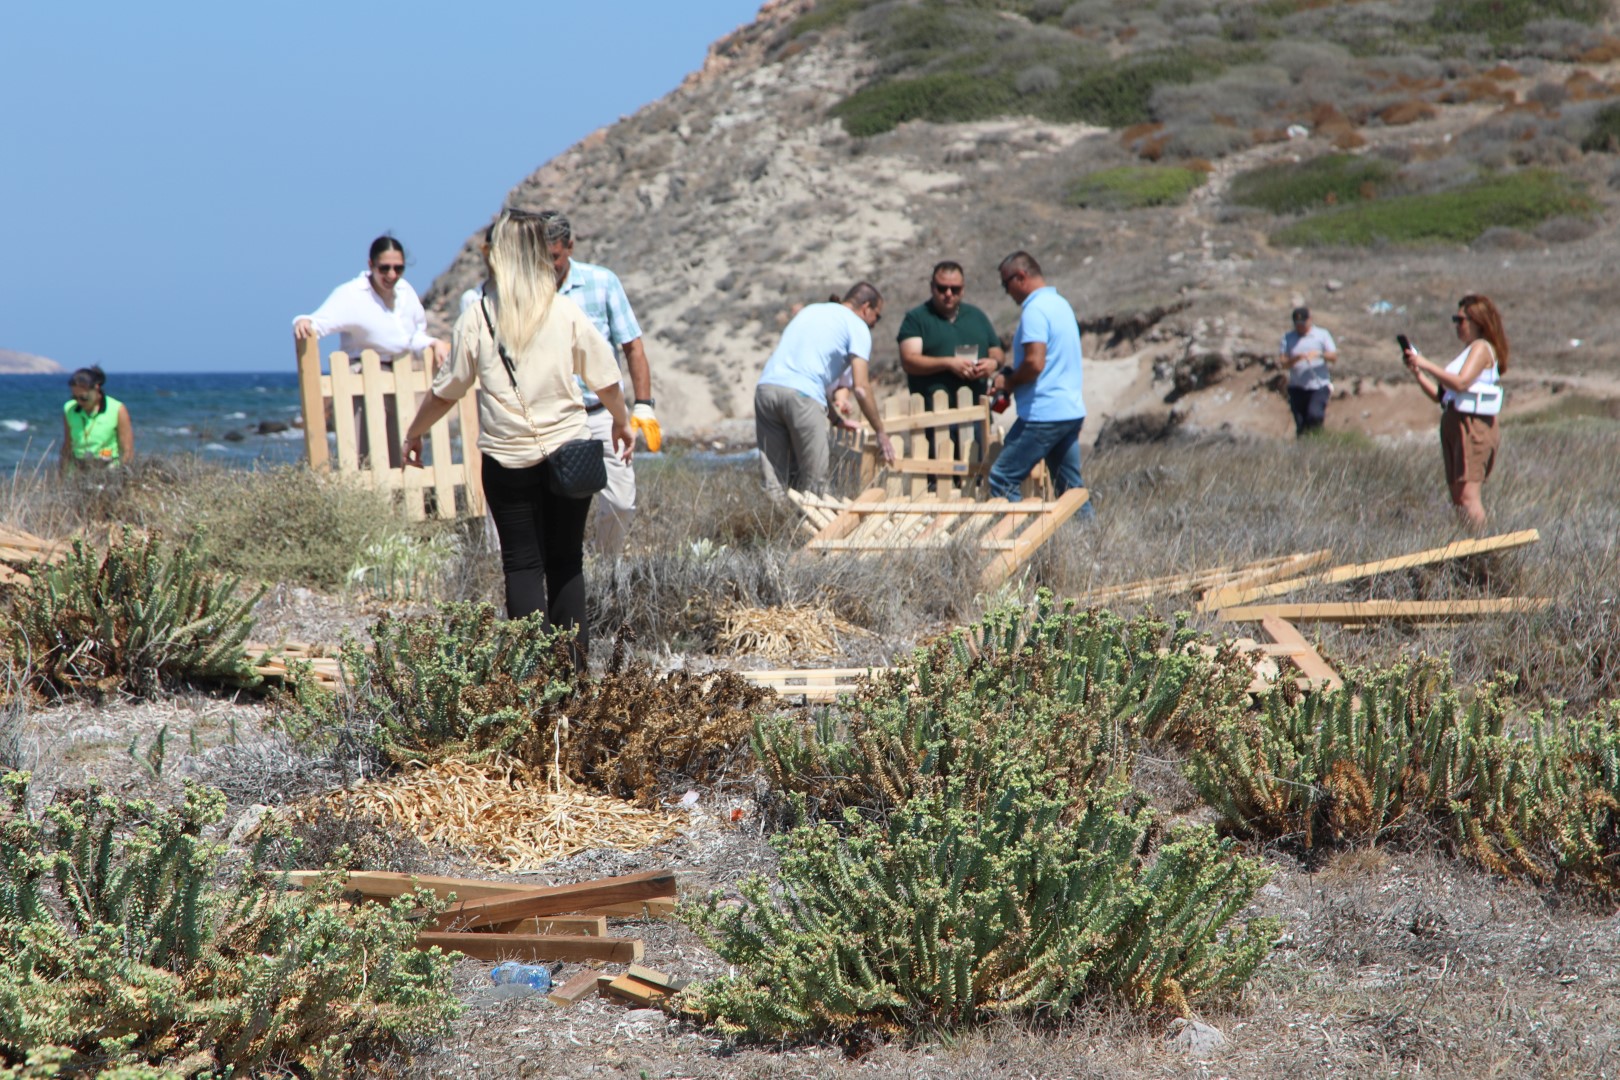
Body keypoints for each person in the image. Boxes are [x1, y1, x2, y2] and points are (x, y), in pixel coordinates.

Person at [400, 209, 633, 666]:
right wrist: (622, 421)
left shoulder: (479, 315)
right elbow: (605, 378)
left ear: (498, 257)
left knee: (522, 566)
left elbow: (447, 389)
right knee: (566, 563)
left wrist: (414, 432)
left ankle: (531, 681)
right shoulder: (563, 310)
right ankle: (571, 678)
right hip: (568, 452)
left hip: (506, 460)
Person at [522, 209, 659, 560]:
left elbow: (632, 345)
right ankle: (564, 570)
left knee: (620, 501)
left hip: (601, 413)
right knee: (554, 507)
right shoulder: (525, 291)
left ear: (569, 246)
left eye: (553, 257)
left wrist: (643, 405)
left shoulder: (602, 283)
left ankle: (603, 565)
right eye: (540, 257)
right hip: (549, 416)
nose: (547, 266)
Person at [293, 235, 449, 467]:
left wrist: (433, 343)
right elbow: (318, 322)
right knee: (363, 452)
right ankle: (367, 501)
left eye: (398, 268)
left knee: (400, 450)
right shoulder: (352, 294)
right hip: (360, 378)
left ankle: (398, 502)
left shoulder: (405, 292)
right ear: (371, 265)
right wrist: (302, 321)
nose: (392, 275)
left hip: (399, 377)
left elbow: (413, 335)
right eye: (384, 268)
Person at [755, 283, 895, 498]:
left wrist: (837, 421)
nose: (875, 322)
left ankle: (775, 529)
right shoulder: (857, 326)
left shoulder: (812, 310)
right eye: (877, 315)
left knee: (774, 482)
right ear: (866, 307)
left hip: (766, 390)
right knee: (816, 485)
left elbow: (802, 374)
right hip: (801, 397)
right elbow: (861, 388)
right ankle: (814, 532)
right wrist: (881, 433)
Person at [986, 252, 1092, 516]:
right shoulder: (1060, 304)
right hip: (1069, 410)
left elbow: (1034, 363)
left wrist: (1008, 381)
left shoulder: (1035, 310)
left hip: (1043, 414)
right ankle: (1091, 545)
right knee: (1071, 492)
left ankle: (1018, 542)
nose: (1006, 291)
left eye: (1005, 283)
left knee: (1002, 478)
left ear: (1020, 276)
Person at [1402, 294, 1509, 530]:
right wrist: (1418, 373)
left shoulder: (1481, 348)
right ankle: (1471, 546)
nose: (1456, 325)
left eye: (1460, 320)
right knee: (1458, 498)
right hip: (1456, 420)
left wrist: (1425, 363)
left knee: (1468, 497)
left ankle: (1484, 551)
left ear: (1477, 321)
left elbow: (1460, 383)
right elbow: (1442, 396)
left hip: (1473, 426)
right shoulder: (1469, 350)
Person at [898, 261, 1004, 477]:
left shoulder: (977, 316)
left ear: (962, 289)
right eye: (942, 288)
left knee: (978, 478)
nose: (948, 294)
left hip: (975, 416)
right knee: (937, 480)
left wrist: (992, 364)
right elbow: (909, 360)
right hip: (934, 418)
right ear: (932, 287)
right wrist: (948, 363)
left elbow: (998, 351)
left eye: (954, 289)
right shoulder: (917, 318)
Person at [1279, 306, 1338, 436]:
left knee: (1314, 415)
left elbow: (1333, 357)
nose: (1301, 326)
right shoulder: (1288, 338)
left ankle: (1319, 441)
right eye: (1298, 324)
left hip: (1319, 386)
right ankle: (1304, 450)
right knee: (1301, 424)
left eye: (1303, 323)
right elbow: (1283, 363)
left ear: (1310, 320)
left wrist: (1318, 354)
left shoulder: (1322, 335)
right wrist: (1296, 359)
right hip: (1297, 387)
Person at [60, 366, 133, 470]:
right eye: (75, 398)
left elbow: (127, 450)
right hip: (77, 470)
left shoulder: (117, 409)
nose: (79, 402)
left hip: (108, 469)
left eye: (84, 398)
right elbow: (67, 445)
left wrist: (121, 475)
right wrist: (62, 474)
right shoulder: (69, 409)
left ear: (96, 388)